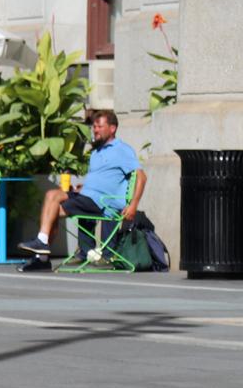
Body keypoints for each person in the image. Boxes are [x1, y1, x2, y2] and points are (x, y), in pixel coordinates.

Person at [16, 109, 146, 272]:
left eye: (99, 126)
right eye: (94, 127)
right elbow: (102, 179)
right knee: (51, 201)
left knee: (52, 202)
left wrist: (133, 205)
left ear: (112, 128)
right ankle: (42, 252)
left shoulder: (122, 149)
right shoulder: (96, 152)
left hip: (102, 202)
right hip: (87, 197)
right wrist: (83, 187)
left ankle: (41, 252)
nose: (95, 130)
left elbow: (141, 177)